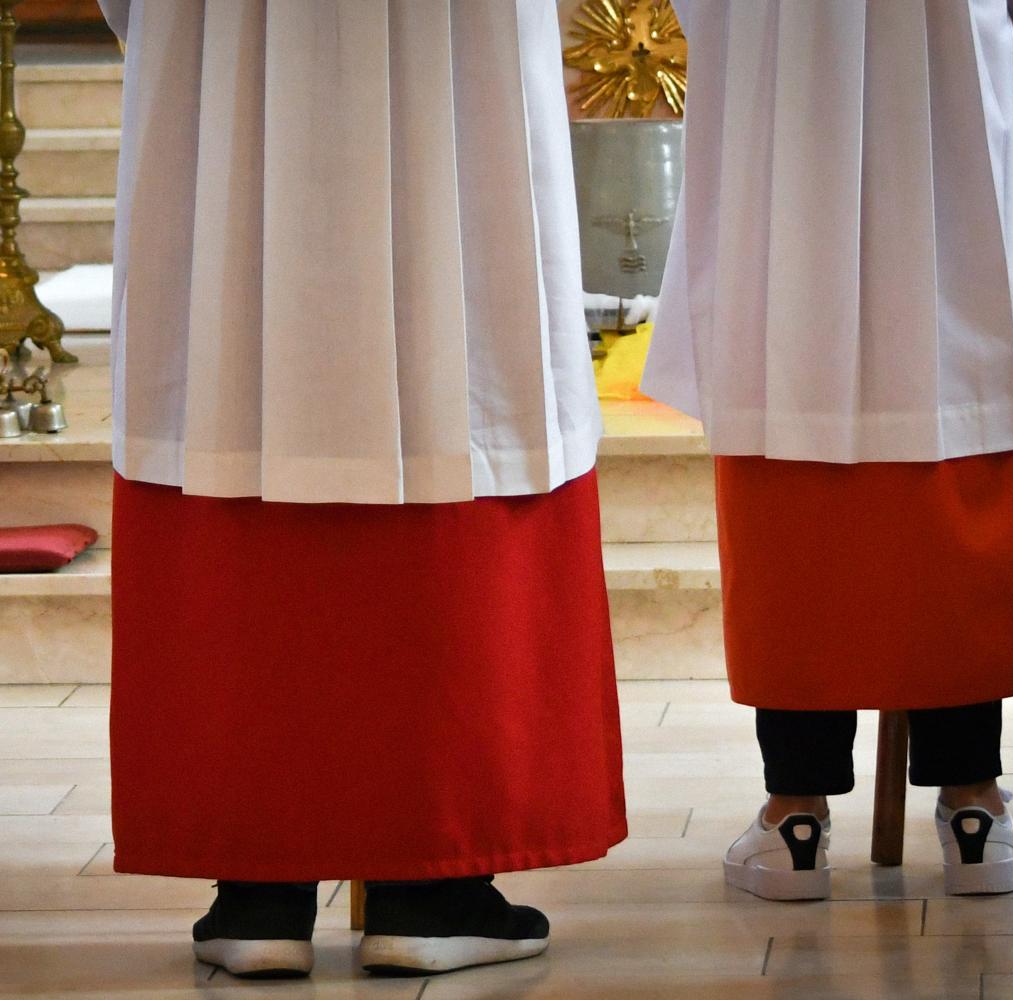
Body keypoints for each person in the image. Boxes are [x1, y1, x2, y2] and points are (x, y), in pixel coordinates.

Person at [99, 0, 625, 980]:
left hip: (232, 82)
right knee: (456, 370)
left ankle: (257, 887)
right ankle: (434, 890)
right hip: (451, 96)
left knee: (232, 392)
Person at [646, 0, 1013, 900]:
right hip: (951, 152)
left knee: (797, 447)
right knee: (956, 432)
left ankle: (794, 812)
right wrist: (997, 137)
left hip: (786, 162)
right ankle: (974, 806)